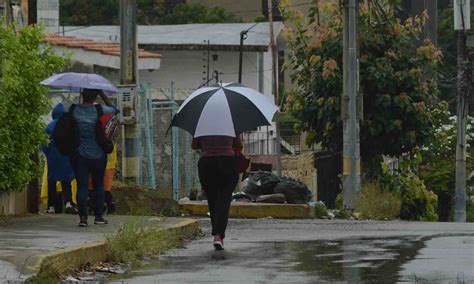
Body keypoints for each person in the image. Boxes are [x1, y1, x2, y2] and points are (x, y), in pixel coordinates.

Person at [70, 88, 119, 227]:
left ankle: (83, 219)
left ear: (83, 96)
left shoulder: (74, 110)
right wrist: (103, 94)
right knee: (99, 185)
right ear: (95, 97)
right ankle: (98, 216)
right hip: (98, 154)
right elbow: (115, 110)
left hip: (80, 154)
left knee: (82, 186)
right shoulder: (99, 110)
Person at [192, 136, 241, 250]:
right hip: (228, 162)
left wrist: (206, 145)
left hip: (207, 164)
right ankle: (219, 235)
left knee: (212, 198)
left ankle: (217, 233)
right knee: (224, 199)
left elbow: (194, 145)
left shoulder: (202, 125)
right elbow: (239, 145)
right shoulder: (230, 124)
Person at [41, 103, 76, 214]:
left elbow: (43, 144)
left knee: (52, 181)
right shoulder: (68, 126)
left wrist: (48, 154)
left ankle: (51, 206)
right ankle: (68, 202)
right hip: (66, 157)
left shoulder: (48, 127)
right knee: (66, 180)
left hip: (53, 158)